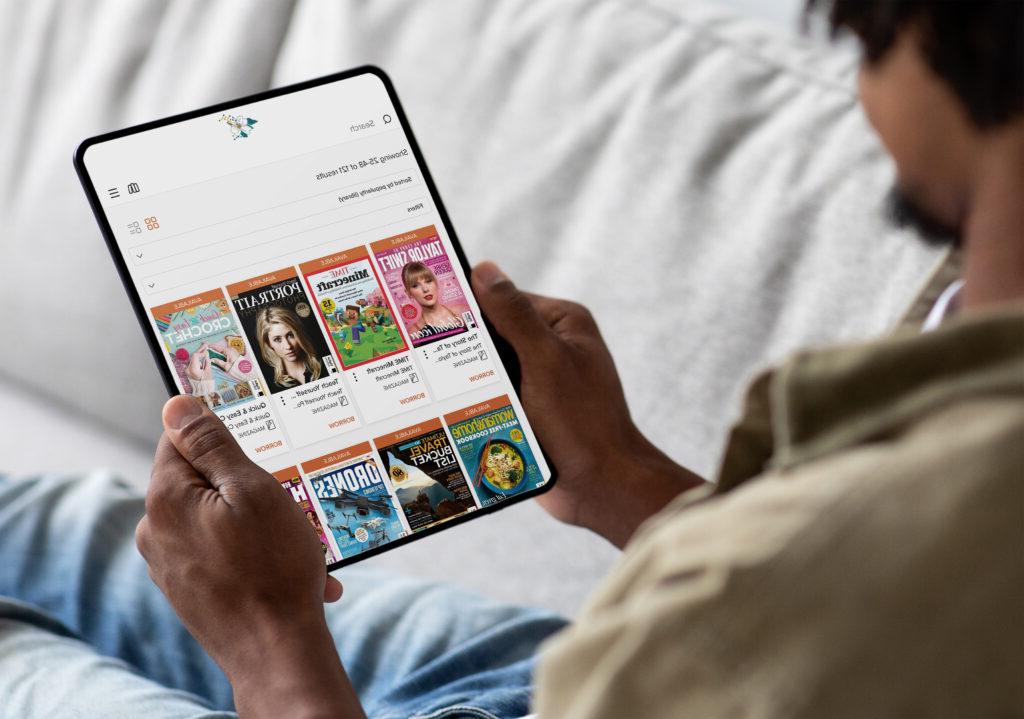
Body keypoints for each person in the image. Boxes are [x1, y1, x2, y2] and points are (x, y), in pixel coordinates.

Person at [1, 1, 1021, 716]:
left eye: (870, 23)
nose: (854, 51)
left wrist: (272, 643)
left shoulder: (956, 496)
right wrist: (620, 476)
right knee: (34, 527)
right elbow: (822, 625)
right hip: (556, 677)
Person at [254, 306, 323, 389]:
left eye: (291, 335)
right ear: (269, 344)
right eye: (277, 339)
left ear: (299, 334)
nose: (288, 346)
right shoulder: (269, 385)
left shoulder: (323, 365)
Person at [401, 261, 465, 340]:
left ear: (436, 283)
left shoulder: (463, 312)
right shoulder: (413, 334)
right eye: (415, 286)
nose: (425, 289)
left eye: (428, 281)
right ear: (408, 293)